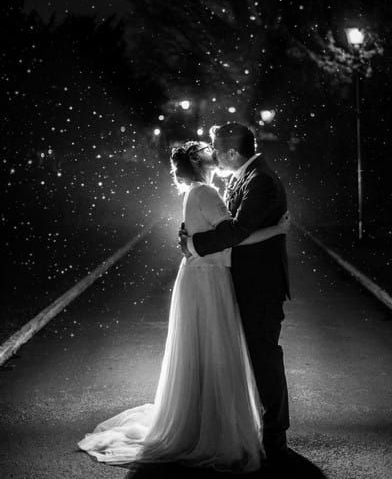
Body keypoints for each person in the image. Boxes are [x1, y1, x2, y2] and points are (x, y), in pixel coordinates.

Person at [77, 139, 289, 473]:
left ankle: (200, 421)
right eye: (211, 155)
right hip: (209, 279)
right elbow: (232, 236)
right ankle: (213, 429)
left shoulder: (195, 191)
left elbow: (212, 234)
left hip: (199, 276)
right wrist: (277, 230)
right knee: (214, 350)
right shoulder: (206, 192)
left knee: (201, 351)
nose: (216, 158)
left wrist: (190, 241)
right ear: (202, 163)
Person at [179, 122, 291, 462]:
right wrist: (189, 236)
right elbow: (224, 227)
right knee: (242, 355)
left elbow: (237, 231)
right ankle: (244, 424)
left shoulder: (261, 181)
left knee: (264, 355)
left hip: (260, 285)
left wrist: (193, 244)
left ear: (231, 152)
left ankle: (275, 432)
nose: (213, 155)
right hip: (238, 280)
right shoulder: (243, 178)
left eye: (216, 149)